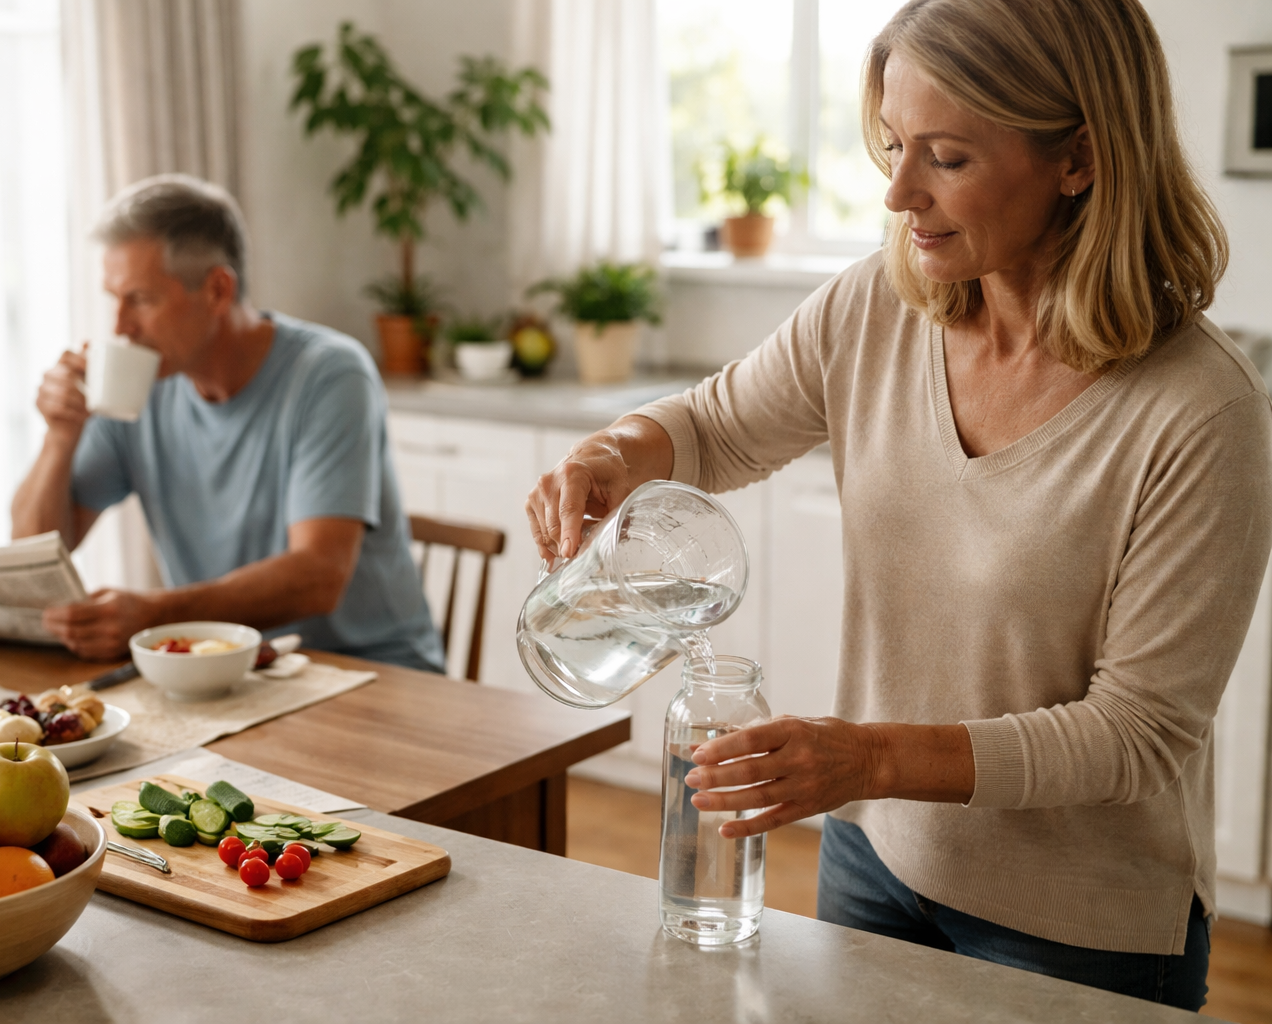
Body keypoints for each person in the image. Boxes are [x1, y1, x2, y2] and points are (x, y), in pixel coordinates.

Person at [526, 0, 1271, 1010]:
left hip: (1076, 925)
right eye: (892, 144)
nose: (899, 192)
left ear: (1081, 159)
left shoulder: (1202, 412)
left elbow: (1135, 732)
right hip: (874, 858)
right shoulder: (876, 309)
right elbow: (712, 425)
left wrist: (864, 753)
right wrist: (616, 450)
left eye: (947, 158)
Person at [12, 174, 443, 673]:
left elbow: (319, 576)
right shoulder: (140, 383)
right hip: (227, 672)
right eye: (115, 299)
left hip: (365, 672)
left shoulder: (329, 375)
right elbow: (34, 560)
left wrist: (154, 614)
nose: (119, 328)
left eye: (142, 299)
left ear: (218, 290)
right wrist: (59, 439)